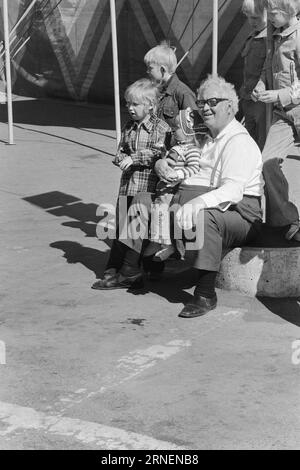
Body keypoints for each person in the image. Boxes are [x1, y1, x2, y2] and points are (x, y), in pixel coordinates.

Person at [97, 75, 263, 320]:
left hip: (239, 213)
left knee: (208, 217)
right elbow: (177, 154)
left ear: (230, 106)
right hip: (192, 199)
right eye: (202, 102)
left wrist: (196, 203)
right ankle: (130, 269)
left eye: (213, 102)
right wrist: (162, 164)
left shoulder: (239, 141)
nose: (205, 107)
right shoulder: (204, 133)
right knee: (141, 199)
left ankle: (205, 293)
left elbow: (232, 191)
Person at [92, 78, 170, 290]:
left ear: (151, 105)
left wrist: (133, 159)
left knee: (136, 229)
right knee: (121, 227)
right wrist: (120, 157)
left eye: (135, 104)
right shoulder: (128, 126)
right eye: (128, 104)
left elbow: (157, 152)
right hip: (127, 185)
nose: (130, 108)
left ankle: (131, 271)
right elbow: (122, 150)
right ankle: (114, 269)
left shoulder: (160, 127)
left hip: (146, 188)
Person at [252, 0, 300, 241]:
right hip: (284, 114)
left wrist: (279, 94)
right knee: (267, 161)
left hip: (297, 107)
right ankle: (286, 220)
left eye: (273, 14)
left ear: (289, 12)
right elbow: (267, 67)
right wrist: (262, 84)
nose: (269, 18)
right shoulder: (273, 33)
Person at [144, 108, 205, 262]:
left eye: (177, 127)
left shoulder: (192, 150)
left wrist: (176, 174)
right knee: (157, 209)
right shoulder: (178, 147)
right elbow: (171, 162)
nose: (173, 130)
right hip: (164, 188)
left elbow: (193, 168)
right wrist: (163, 154)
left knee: (160, 210)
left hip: (173, 190)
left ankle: (165, 244)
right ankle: (162, 243)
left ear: (189, 130)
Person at [144, 41, 198, 129]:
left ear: (162, 69)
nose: (147, 72)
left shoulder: (183, 93)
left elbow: (193, 127)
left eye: (150, 68)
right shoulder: (156, 91)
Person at [240, 0, 267, 150]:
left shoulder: (269, 39)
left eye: (256, 18)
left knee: (262, 141)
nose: (251, 21)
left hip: (261, 100)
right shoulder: (252, 36)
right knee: (249, 140)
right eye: (249, 17)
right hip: (247, 96)